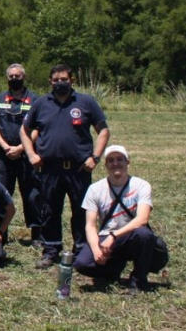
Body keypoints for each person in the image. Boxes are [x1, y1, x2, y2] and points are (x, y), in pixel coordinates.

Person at [21, 64, 110, 269]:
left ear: (72, 80)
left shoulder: (86, 102)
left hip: (79, 169)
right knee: (50, 210)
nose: (60, 83)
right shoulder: (41, 103)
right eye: (56, 80)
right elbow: (25, 131)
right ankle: (51, 250)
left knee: (81, 210)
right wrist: (31, 154)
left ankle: (81, 249)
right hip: (49, 168)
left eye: (64, 79)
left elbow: (103, 131)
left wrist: (95, 158)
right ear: (50, 82)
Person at [73, 145, 156, 292]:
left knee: (144, 234)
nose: (115, 163)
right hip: (105, 237)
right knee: (82, 263)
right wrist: (96, 249)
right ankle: (113, 268)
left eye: (120, 159)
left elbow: (142, 220)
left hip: (131, 236)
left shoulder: (141, 185)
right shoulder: (95, 189)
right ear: (105, 165)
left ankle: (138, 279)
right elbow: (90, 225)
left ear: (127, 162)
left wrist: (113, 236)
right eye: (111, 160)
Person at [0, 63, 41, 246]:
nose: (14, 79)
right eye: (11, 76)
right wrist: (5, 147)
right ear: (7, 78)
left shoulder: (35, 99)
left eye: (18, 76)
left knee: (33, 193)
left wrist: (22, 148)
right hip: (4, 155)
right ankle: (1, 232)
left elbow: (38, 128)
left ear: (24, 77)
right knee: (2, 193)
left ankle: (36, 234)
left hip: (27, 154)